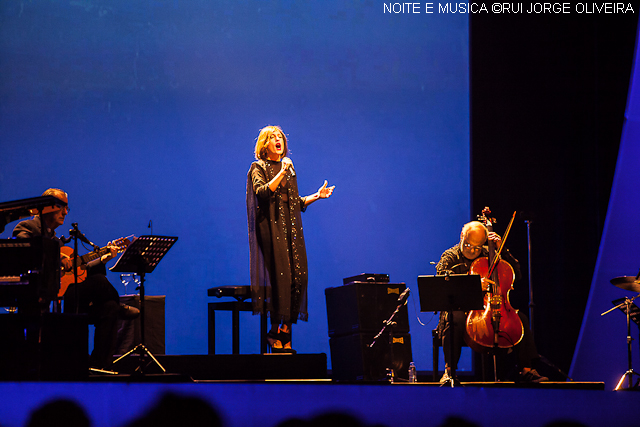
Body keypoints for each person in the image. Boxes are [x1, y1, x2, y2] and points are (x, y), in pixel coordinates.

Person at [12, 188, 139, 370]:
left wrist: (104, 258)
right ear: (47, 207)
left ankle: (100, 366)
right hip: (44, 293)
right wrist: (57, 256)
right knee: (100, 282)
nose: (65, 212)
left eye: (66, 209)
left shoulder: (56, 239)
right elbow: (24, 251)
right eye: (62, 207)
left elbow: (79, 271)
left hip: (68, 293)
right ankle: (119, 305)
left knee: (108, 308)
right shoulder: (28, 227)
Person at [247, 125, 334, 353]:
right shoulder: (259, 167)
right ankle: (275, 330)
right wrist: (282, 172)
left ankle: (283, 331)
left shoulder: (289, 170)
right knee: (280, 278)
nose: (279, 140)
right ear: (265, 145)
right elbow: (263, 193)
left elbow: (293, 202)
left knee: (299, 278)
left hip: (290, 230)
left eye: (281, 137)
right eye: (273, 138)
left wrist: (316, 196)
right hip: (270, 228)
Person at [435, 220, 547, 384]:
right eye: (468, 245)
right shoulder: (450, 257)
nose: (472, 250)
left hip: (487, 308)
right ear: (462, 236)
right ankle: (449, 371)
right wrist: (472, 285)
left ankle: (527, 370)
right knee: (455, 318)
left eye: (477, 247)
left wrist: (503, 248)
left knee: (520, 318)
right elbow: (441, 283)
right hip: (460, 308)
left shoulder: (490, 254)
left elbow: (515, 273)